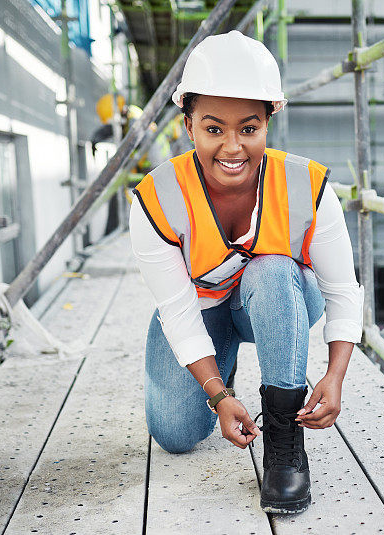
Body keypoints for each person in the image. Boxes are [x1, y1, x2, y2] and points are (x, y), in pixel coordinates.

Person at [129, 30, 363, 514]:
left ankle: (284, 445)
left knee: (272, 268)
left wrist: (336, 374)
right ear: (188, 124)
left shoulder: (307, 185)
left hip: (280, 300)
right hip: (201, 309)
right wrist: (217, 395)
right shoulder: (156, 198)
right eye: (214, 129)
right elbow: (177, 309)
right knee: (175, 434)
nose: (232, 147)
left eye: (248, 128)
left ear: (268, 123)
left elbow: (342, 290)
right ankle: (223, 361)